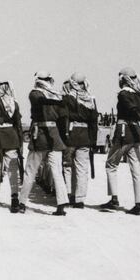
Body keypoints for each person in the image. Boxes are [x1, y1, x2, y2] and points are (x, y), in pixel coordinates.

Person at [16, 71, 70, 216]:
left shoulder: (35, 93)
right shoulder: (56, 95)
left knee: (30, 171)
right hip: (55, 136)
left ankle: (22, 203)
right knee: (57, 172)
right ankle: (61, 204)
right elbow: (63, 117)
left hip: (40, 135)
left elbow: (39, 102)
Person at [101, 67, 140, 215]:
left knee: (110, 164)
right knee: (136, 170)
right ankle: (139, 204)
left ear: (123, 79)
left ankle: (114, 198)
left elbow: (132, 109)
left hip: (124, 132)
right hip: (137, 134)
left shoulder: (123, 94)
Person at [61, 73, 98, 209]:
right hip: (86, 136)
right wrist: (93, 141)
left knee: (67, 167)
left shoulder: (68, 97)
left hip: (71, 135)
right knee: (82, 169)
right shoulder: (91, 99)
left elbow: (64, 117)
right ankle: (80, 199)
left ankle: (68, 195)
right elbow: (94, 122)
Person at [0, 80, 23, 211]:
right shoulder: (14, 103)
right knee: (12, 169)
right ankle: (14, 198)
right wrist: (20, 143)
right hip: (12, 137)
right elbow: (18, 125)